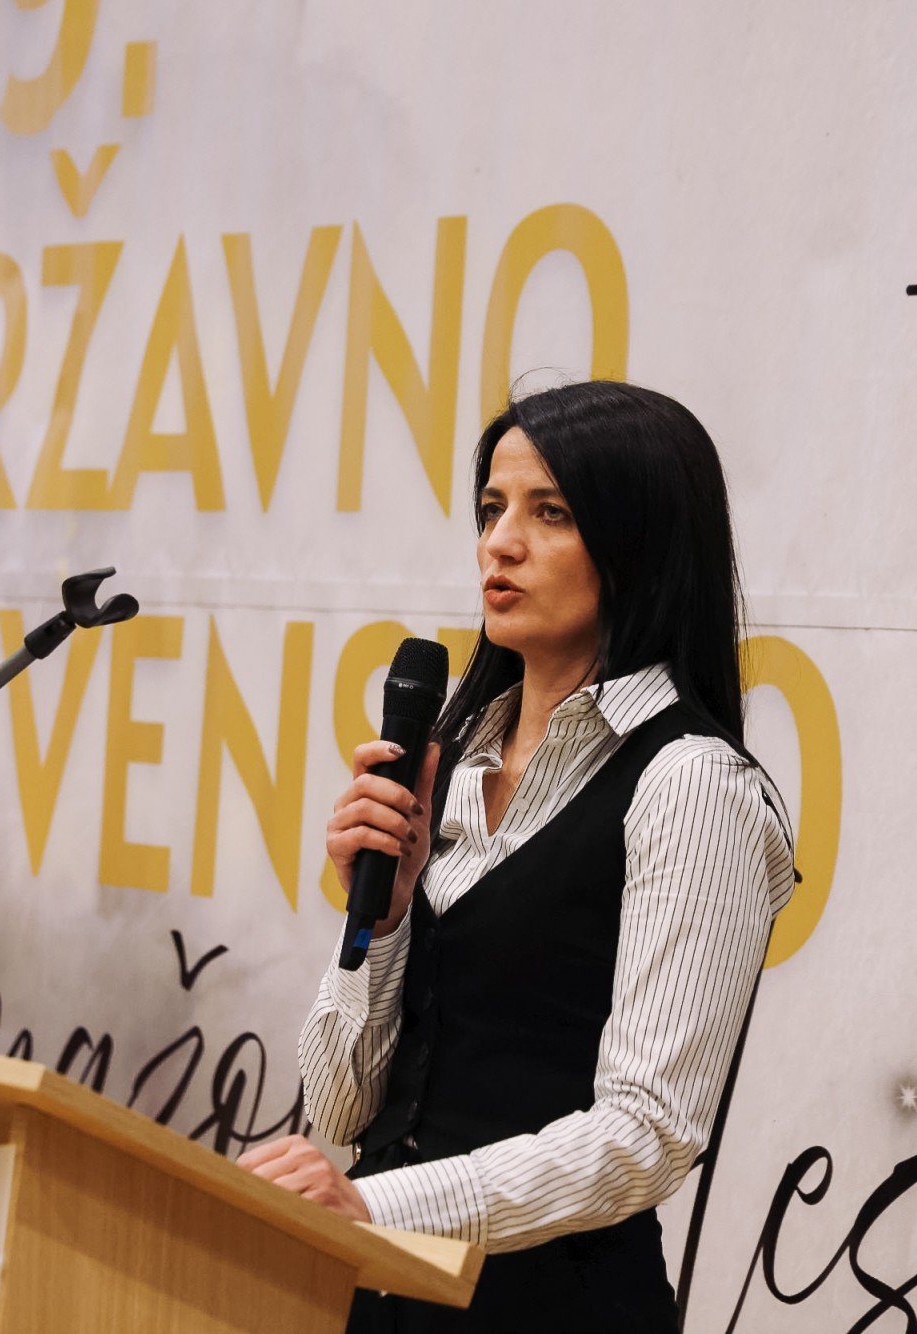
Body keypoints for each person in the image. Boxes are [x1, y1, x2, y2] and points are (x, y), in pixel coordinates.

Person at [240, 381, 796, 1331]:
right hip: (380, 1299)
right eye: (492, 508)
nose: (499, 543)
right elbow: (338, 1111)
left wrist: (379, 1207)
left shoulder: (691, 783)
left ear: (641, 543)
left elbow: (647, 1135)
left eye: (552, 514)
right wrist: (381, 920)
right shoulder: (449, 759)